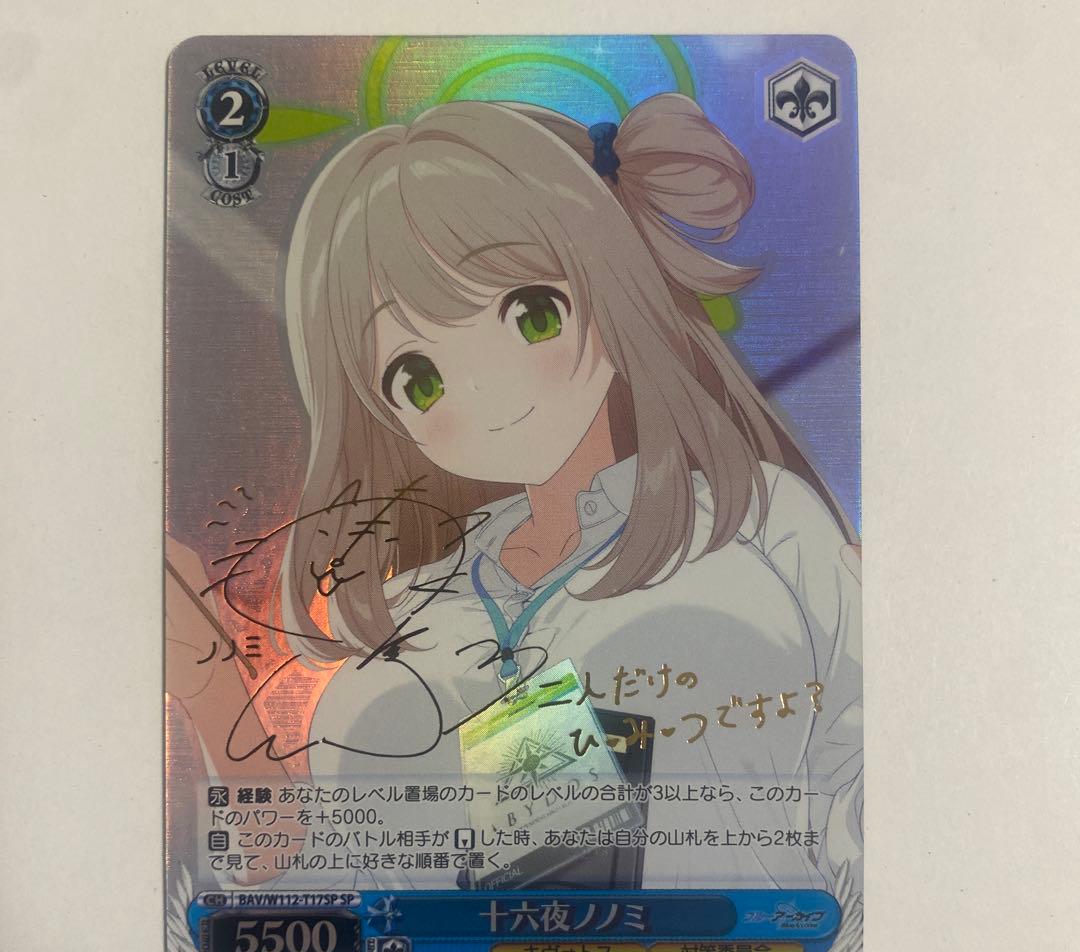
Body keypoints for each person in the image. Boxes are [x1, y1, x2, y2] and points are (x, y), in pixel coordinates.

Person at [173, 93, 862, 902]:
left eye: (532, 315)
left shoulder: (755, 522)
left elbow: (865, 775)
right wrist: (210, 687)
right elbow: (337, 895)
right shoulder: (412, 605)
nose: (484, 392)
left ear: (613, 290)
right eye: (417, 378)